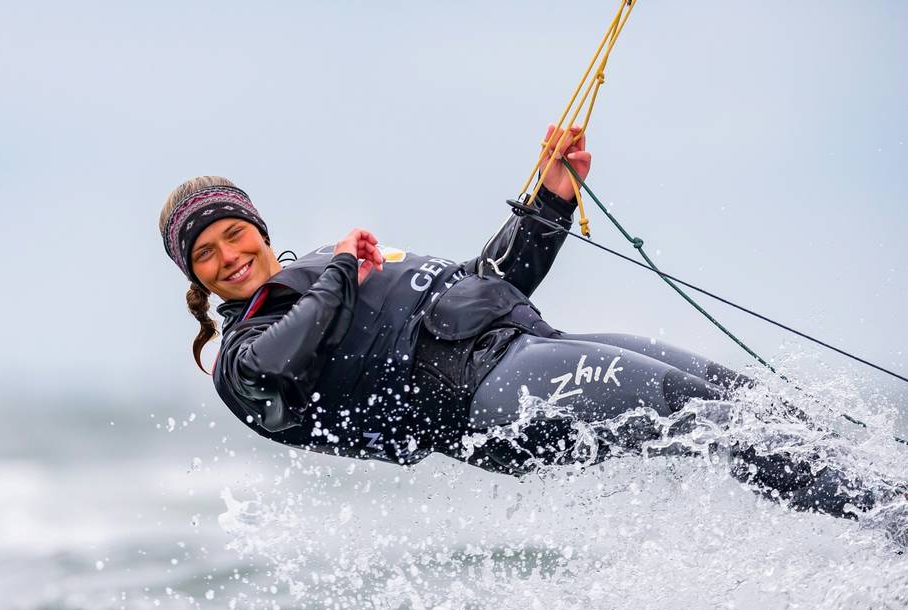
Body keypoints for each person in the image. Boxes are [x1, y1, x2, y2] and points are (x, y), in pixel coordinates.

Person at [159, 125, 874, 520]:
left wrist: (551, 200)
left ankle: (882, 490)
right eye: (205, 253)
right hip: (485, 404)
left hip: (524, 350)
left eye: (233, 233)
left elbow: (487, 285)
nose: (228, 255)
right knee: (691, 410)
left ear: (256, 227)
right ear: (193, 276)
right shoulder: (242, 361)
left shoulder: (318, 270)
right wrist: (345, 269)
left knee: (733, 394)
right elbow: (288, 357)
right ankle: (884, 517)